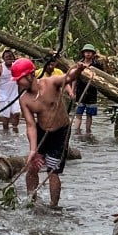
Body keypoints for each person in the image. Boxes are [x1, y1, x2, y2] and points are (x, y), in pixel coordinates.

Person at [13, 56, 88, 208]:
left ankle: (54, 206)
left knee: (52, 171)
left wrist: (78, 70)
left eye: (19, 79)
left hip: (60, 132)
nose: (17, 82)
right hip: (41, 131)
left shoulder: (50, 83)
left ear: (30, 75)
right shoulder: (25, 99)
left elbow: (68, 77)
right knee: (33, 167)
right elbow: (30, 125)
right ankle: (30, 201)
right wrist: (33, 150)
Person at [72, 44, 100, 134]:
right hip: (80, 91)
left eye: (90, 52)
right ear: (83, 53)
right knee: (78, 114)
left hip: (92, 93)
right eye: (86, 52)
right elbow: (75, 78)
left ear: (93, 54)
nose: (88, 54)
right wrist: (73, 90)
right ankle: (77, 132)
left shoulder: (97, 65)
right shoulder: (79, 64)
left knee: (89, 115)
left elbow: (101, 78)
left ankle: (88, 132)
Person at [0, 50, 20, 132]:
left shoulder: (16, 66)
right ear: (3, 59)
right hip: (4, 96)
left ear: (13, 58)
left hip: (15, 95)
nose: (9, 59)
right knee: (6, 118)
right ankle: (6, 135)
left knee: (16, 113)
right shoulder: (0, 67)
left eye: (11, 57)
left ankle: (15, 130)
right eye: (7, 57)